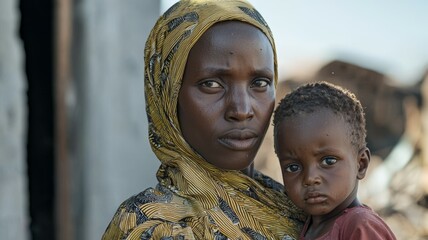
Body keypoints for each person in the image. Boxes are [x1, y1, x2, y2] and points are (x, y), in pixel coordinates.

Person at [102, 0, 305, 239]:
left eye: (259, 83)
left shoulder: (304, 211)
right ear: (167, 96)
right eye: (211, 84)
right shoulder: (149, 226)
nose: (241, 110)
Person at [273, 81, 397, 239]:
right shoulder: (307, 226)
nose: (310, 178)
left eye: (328, 161)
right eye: (293, 167)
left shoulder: (360, 225)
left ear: (361, 164)